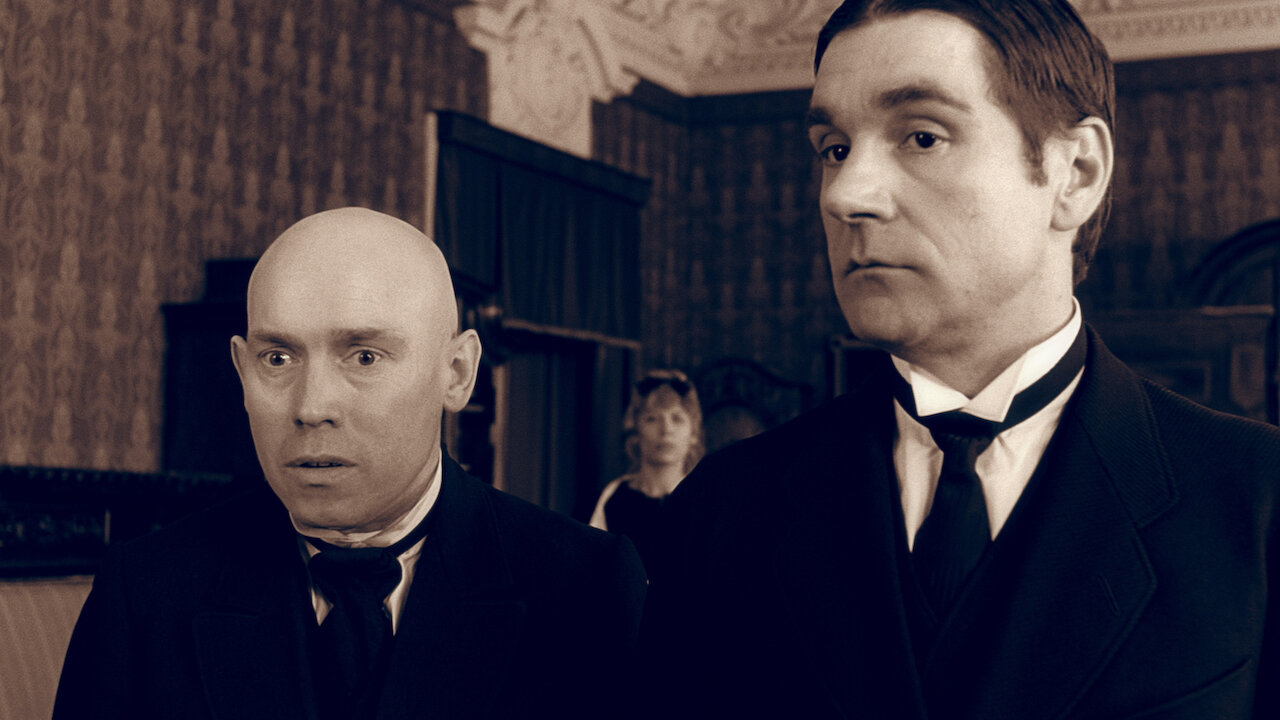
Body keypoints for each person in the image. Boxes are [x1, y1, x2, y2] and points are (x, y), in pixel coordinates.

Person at [639, 2, 1280, 719]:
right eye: (834, 148)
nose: (846, 195)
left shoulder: (1257, 501)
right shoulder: (722, 510)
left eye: (922, 136)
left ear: (1076, 172)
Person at [54, 207, 647, 720]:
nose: (311, 407)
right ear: (241, 372)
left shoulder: (584, 588)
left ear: (457, 373)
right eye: (278, 358)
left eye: (364, 356)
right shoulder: (145, 592)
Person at [589, 369, 704, 564]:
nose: (666, 430)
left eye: (677, 418)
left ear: (693, 433)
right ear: (635, 431)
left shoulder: (704, 499)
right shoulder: (613, 497)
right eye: (652, 418)